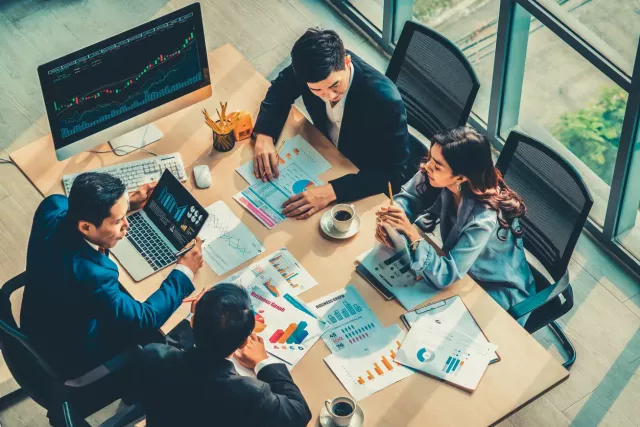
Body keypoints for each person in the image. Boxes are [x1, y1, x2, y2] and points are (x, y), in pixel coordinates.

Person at [22, 172, 204, 379]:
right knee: (157, 336)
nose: (128, 224)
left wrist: (128, 205)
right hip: (69, 352)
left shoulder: (53, 206)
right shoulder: (93, 275)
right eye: (118, 221)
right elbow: (144, 320)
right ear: (86, 227)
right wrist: (184, 272)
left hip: (37, 319)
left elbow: (72, 204)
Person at [376, 127, 535, 324]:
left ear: (460, 177)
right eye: (430, 160)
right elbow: (408, 198)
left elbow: (447, 274)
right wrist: (393, 220)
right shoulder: (435, 172)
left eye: (437, 166)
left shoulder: (483, 219)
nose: (427, 168)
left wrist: (411, 234)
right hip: (459, 270)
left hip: (492, 289)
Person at [253, 27, 410, 219]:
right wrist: (265, 134)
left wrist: (331, 192)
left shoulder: (385, 100)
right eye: (317, 90)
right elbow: (280, 89)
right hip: (323, 154)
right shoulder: (310, 70)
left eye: (335, 85)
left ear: (346, 61)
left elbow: (394, 174)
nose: (329, 96)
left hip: (356, 173)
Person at [133, 283, 312, 427]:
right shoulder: (250, 394)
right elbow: (299, 413)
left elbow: (170, 347)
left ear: (193, 321)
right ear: (244, 342)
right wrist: (263, 363)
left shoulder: (154, 355)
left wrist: (196, 317)